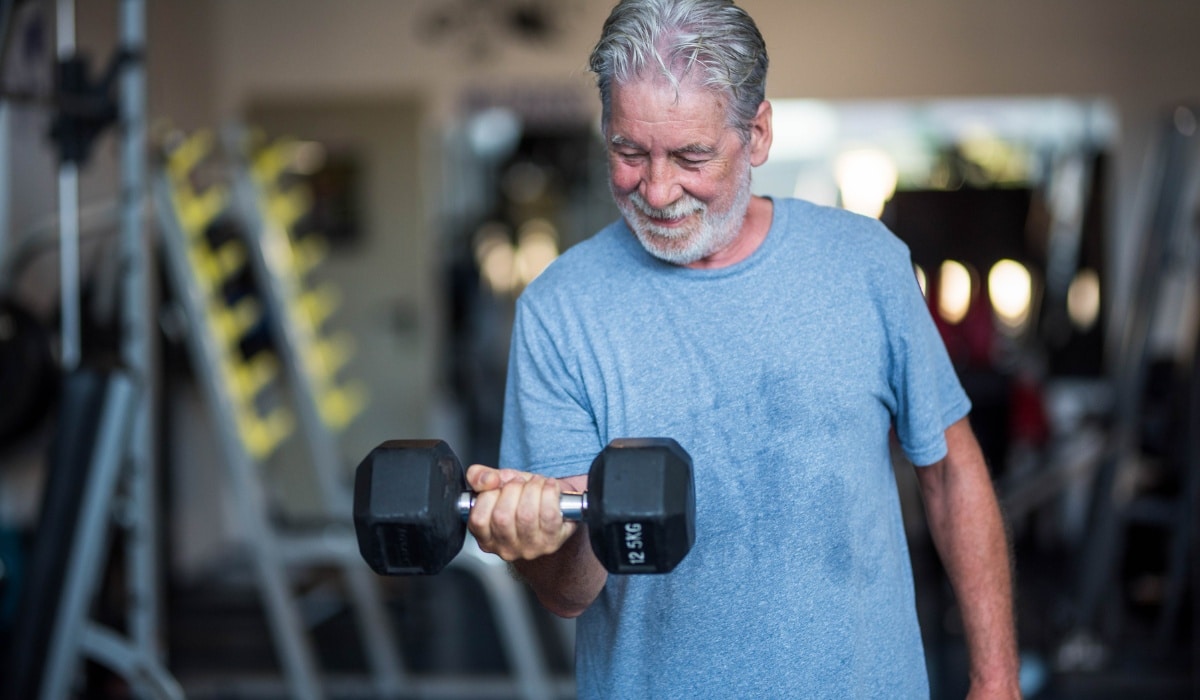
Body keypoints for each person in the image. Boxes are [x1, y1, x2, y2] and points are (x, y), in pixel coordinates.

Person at [464, 0, 1021, 697]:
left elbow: (949, 470)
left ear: (757, 134)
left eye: (691, 156)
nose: (658, 190)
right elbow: (571, 593)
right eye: (628, 152)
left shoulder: (866, 265)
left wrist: (997, 679)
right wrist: (538, 544)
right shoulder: (560, 309)